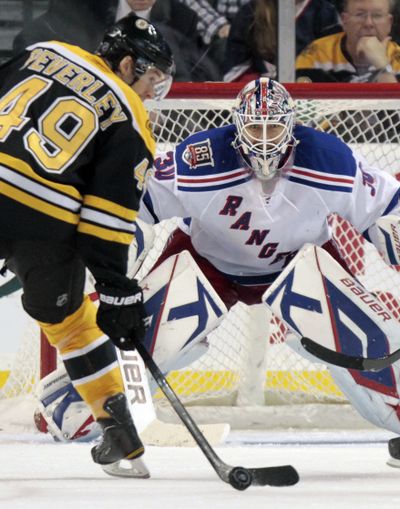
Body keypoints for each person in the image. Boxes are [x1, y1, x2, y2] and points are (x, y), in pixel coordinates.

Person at [138, 77, 400, 464]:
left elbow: (388, 205)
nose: (264, 139)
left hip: (300, 262)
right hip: (208, 262)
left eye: (273, 127)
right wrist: (114, 271)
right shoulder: (198, 159)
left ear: (292, 126)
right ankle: (94, 409)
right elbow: (134, 207)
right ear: (237, 126)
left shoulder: (330, 159)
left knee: (365, 343)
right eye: (255, 127)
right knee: (137, 344)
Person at [0, 13, 174, 472]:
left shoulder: (41, 53)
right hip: (43, 219)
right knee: (74, 326)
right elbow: (106, 217)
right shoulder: (131, 116)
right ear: (128, 64)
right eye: (152, 76)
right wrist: (117, 290)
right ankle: (121, 437)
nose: (153, 90)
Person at [223, 0, 341, 82]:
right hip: (262, 107)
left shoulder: (325, 13)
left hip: (313, 105)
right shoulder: (249, 13)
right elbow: (235, 73)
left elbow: (336, 70)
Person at [296, 0, 400, 82]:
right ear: (344, 21)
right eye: (360, 15)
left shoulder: (397, 57)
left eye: (377, 15)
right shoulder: (317, 54)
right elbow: (297, 103)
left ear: (389, 23)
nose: (368, 23)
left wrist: (382, 67)